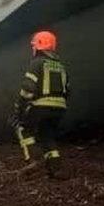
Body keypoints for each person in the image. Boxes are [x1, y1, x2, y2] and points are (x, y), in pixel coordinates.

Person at [12, 30, 70, 178]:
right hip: (59, 109)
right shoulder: (61, 66)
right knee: (47, 136)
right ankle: (56, 169)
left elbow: (27, 88)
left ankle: (33, 160)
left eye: (34, 46)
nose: (33, 49)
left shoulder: (37, 63)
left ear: (39, 46)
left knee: (22, 129)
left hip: (41, 107)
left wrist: (19, 110)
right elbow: (67, 90)